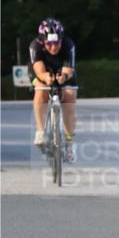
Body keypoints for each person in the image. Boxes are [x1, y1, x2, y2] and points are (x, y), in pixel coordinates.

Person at [29, 18, 78, 162]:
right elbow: (39, 70)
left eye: (57, 43)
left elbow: (68, 70)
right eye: (49, 44)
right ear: (42, 41)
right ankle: (40, 131)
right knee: (41, 90)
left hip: (62, 70)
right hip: (42, 70)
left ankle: (69, 143)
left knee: (69, 99)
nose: (53, 47)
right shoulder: (35, 46)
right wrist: (45, 77)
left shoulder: (68, 45)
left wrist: (63, 76)